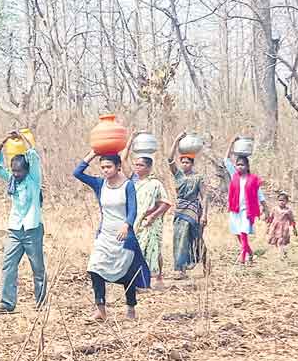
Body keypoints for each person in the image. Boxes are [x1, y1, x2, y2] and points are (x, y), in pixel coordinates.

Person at [74, 153, 149, 321]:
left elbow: (133, 210)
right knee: (95, 268)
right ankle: (100, 310)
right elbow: (77, 173)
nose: (105, 170)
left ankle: (131, 307)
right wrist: (93, 154)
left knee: (126, 273)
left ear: (118, 167)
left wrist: (127, 225)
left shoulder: (128, 186)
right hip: (104, 236)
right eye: (103, 167)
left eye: (109, 167)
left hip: (124, 237)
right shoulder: (100, 184)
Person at [0, 134, 46, 313]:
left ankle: (41, 303)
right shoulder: (12, 180)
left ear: (27, 170)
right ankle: (7, 303)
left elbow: (34, 156)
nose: (15, 174)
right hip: (14, 229)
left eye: (19, 171)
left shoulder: (34, 180)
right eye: (13, 170)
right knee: (8, 265)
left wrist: (23, 138)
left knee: (37, 267)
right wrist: (3, 141)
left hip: (32, 228)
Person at [165, 133, 207, 279]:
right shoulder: (178, 175)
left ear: (192, 164)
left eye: (187, 162)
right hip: (180, 210)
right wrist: (176, 140)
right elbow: (170, 159)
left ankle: (204, 263)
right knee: (179, 238)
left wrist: (205, 215)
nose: (184, 164)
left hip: (194, 211)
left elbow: (204, 196)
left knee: (195, 238)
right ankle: (181, 268)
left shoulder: (198, 178)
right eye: (182, 162)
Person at [130, 155, 171, 286]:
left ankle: (158, 277)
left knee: (155, 250)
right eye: (136, 165)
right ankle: (140, 280)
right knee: (138, 250)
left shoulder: (155, 184)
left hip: (151, 223)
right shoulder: (133, 184)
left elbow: (165, 204)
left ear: (149, 168)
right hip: (137, 222)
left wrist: (152, 216)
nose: (137, 168)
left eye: (141, 165)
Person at [224, 150, 268, 265]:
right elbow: (226, 160)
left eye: (242, 164)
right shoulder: (234, 175)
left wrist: (265, 208)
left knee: (244, 232)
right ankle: (249, 251)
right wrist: (232, 142)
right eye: (238, 164)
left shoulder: (253, 179)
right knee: (238, 233)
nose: (240, 167)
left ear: (247, 166)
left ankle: (243, 257)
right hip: (235, 209)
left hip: (247, 210)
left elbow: (260, 194)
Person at [267, 191, 297, 258]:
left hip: (284, 228)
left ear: (287, 201)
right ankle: (283, 252)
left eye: (283, 200)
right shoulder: (274, 209)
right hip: (275, 227)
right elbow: (270, 218)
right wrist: (268, 227)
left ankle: (280, 255)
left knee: (281, 241)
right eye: (280, 200)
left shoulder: (288, 210)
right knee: (275, 241)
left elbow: (292, 220)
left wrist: (294, 229)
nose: (281, 202)